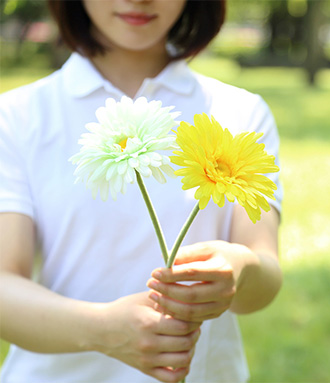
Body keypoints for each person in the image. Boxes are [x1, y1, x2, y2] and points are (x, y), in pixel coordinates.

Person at [0, 0, 283, 382]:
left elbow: (264, 274)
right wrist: (102, 329)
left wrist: (241, 269)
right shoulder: (17, 116)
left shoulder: (241, 112)